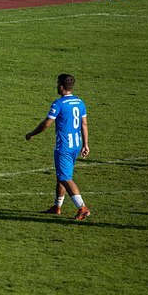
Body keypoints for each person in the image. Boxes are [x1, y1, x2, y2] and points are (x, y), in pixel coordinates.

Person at [25, 73, 91, 220]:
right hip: (76, 145)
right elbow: (84, 124)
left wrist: (32, 133)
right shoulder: (80, 102)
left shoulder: (59, 104)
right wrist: (86, 144)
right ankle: (57, 207)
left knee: (65, 177)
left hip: (64, 147)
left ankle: (82, 208)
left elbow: (46, 123)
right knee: (61, 175)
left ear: (61, 86)